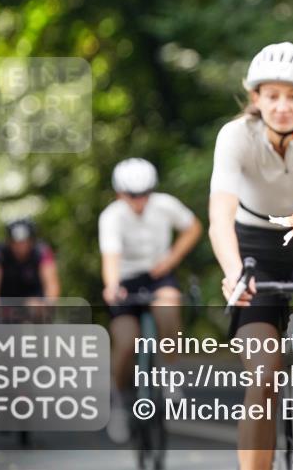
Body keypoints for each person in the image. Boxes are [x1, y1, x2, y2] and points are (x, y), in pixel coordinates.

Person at [210, 42, 293, 470]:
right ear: (255, 98)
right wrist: (232, 273)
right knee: (263, 377)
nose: (282, 106)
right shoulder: (235, 136)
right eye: (272, 95)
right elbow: (220, 216)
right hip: (255, 248)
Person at [99, 157, 202, 443]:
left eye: (144, 193)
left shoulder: (165, 205)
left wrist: (171, 259)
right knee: (125, 343)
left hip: (159, 274)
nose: (139, 201)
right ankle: (120, 402)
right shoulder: (112, 216)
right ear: (120, 193)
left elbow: (193, 227)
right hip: (126, 281)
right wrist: (112, 285)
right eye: (132, 195)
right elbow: (111, 256)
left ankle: (170, 373)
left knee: (169, 306)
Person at [0, 218, 60, 307]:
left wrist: (46, 305)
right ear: (9, 241)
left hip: (36, 303)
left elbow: (52, 285)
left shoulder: (42, 251)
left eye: (25, 242)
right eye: (16, 242)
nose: (21, 247)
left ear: (31, 241)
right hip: (6, 305)